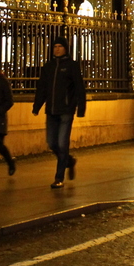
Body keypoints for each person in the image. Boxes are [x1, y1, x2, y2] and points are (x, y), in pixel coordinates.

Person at [32, 36, 87, 189]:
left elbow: (79, 88)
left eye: (60, 46)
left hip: (66, 110)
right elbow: (42, 88)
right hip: (51, 110)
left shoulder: (71, 66)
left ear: (65, 48)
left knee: (62, 144)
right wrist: (37, 106)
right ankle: (69, 161)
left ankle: (59, 177)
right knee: (51, 143)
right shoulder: (48, 66)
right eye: (55, 46)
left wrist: (80, 108)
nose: (57, 49)